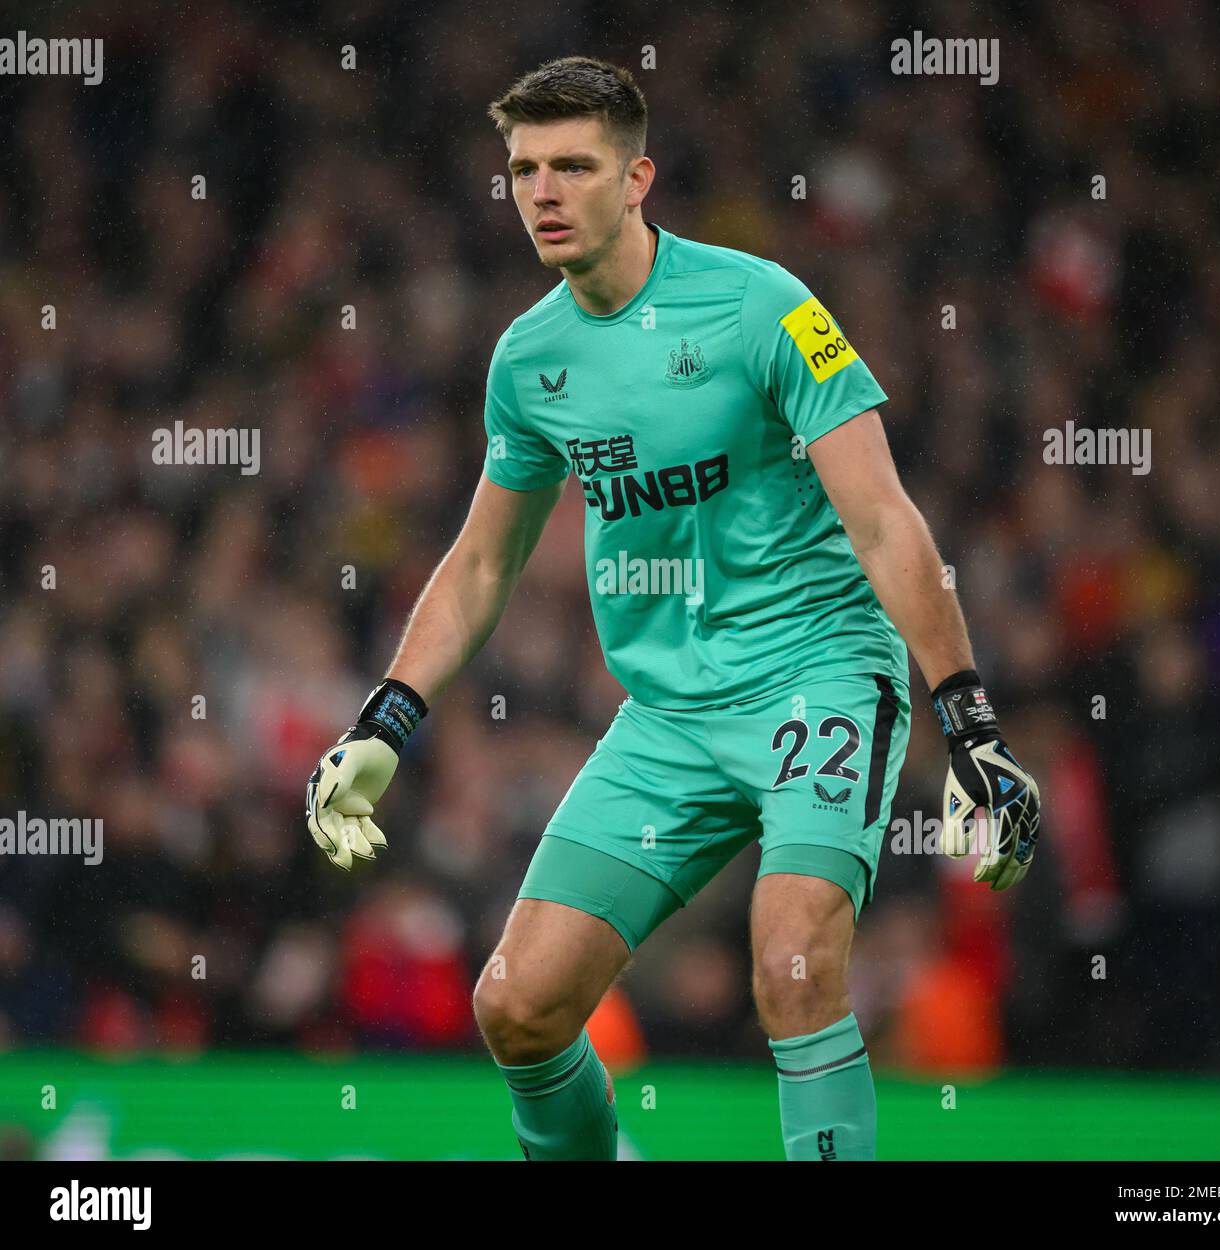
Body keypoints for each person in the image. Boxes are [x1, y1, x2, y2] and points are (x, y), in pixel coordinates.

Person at [304, 55, 1041, 1161]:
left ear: (638, 176)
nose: (542, 193)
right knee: (517, 1005)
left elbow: (885, 523)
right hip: (669, 717)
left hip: (820, 671)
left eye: (573, 166)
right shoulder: (531, 360)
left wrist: (970, 727)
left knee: (791, 960)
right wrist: (383, 720)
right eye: (522, 170)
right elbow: (479, 563)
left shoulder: (765, 307)